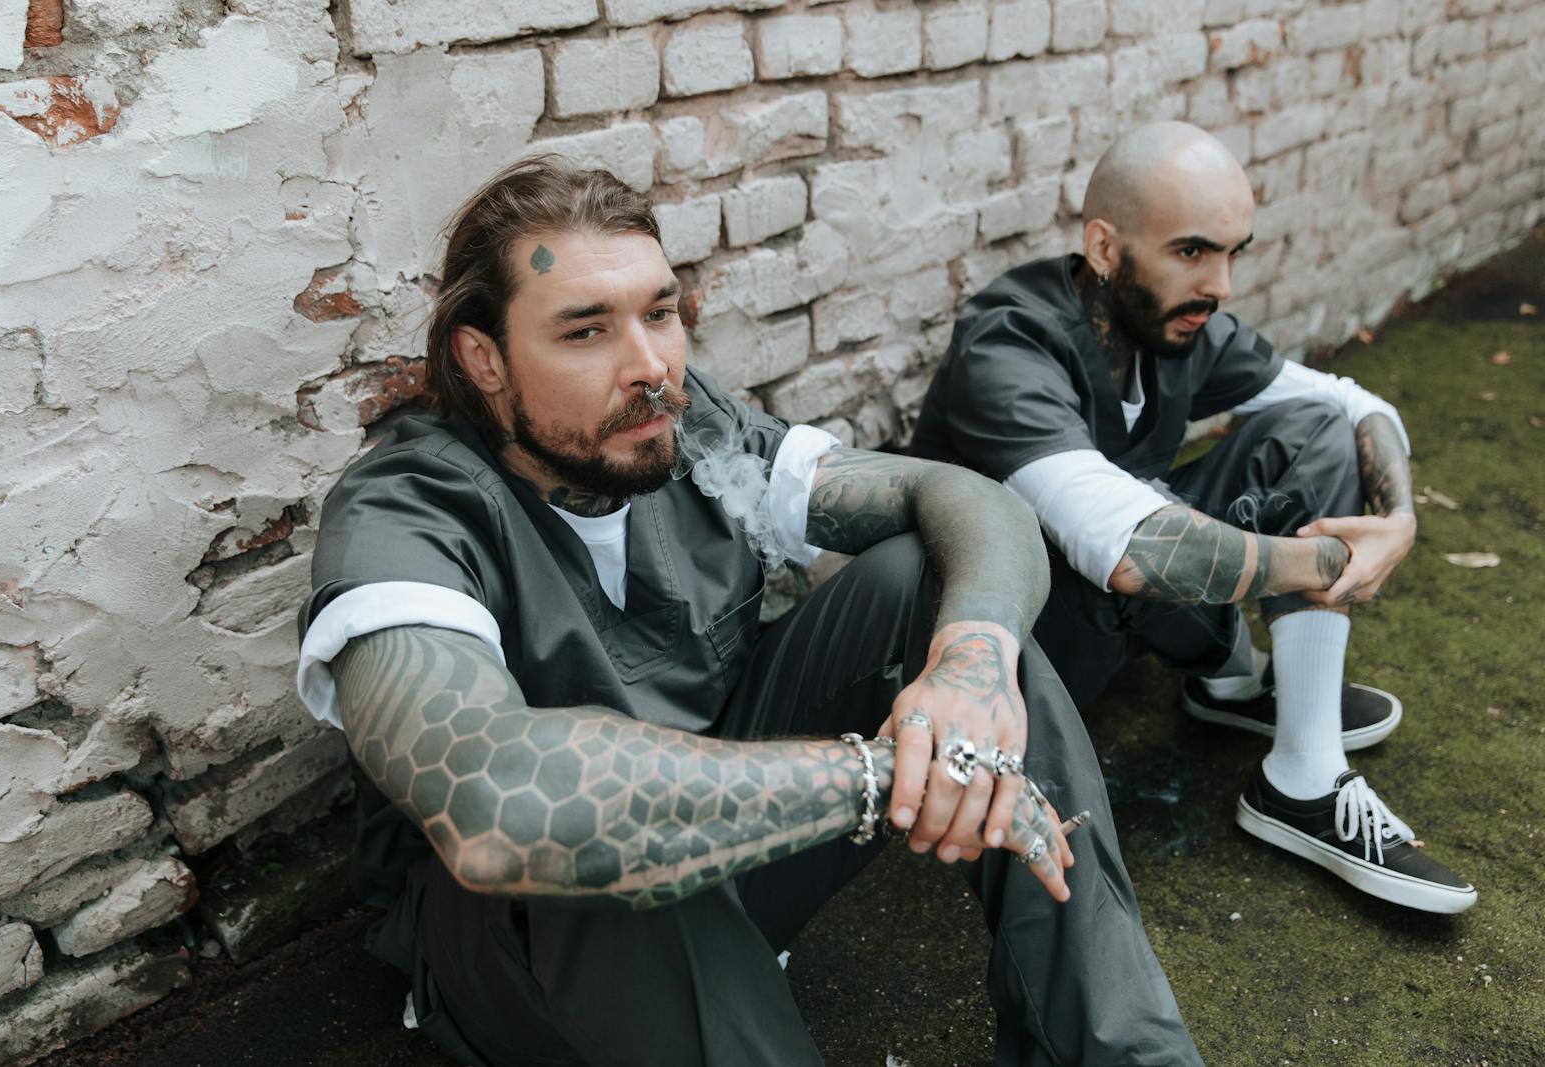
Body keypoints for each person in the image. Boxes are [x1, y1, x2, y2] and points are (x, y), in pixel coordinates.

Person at [293, 156, 1202, 1065]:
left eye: (659, 313)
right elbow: (500, 809)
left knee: (925, 581)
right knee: (593, 828)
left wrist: (970, 668)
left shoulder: (688, 430)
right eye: (584, 332)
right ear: (483, 358)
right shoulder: (402, 514)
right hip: (523, 942)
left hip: (734, 845)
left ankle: (1123, 1053)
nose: (650, 367)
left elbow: (973, 499)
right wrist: (892, 776)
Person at [910, 121, 1475, 915]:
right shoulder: (1008, 348)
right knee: (1136, 538)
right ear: (1104, 248)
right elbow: (1128, 549)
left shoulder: (1176, 321)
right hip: (1009, 649)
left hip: (1112, 591)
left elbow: (1351, 405)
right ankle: (1230, 676)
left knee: (1311, 432)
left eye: (1232, 252)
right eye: (1192, 251)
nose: (1222, 284)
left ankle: (1299, 770)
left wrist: (1402, 518)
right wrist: (1329, 563)